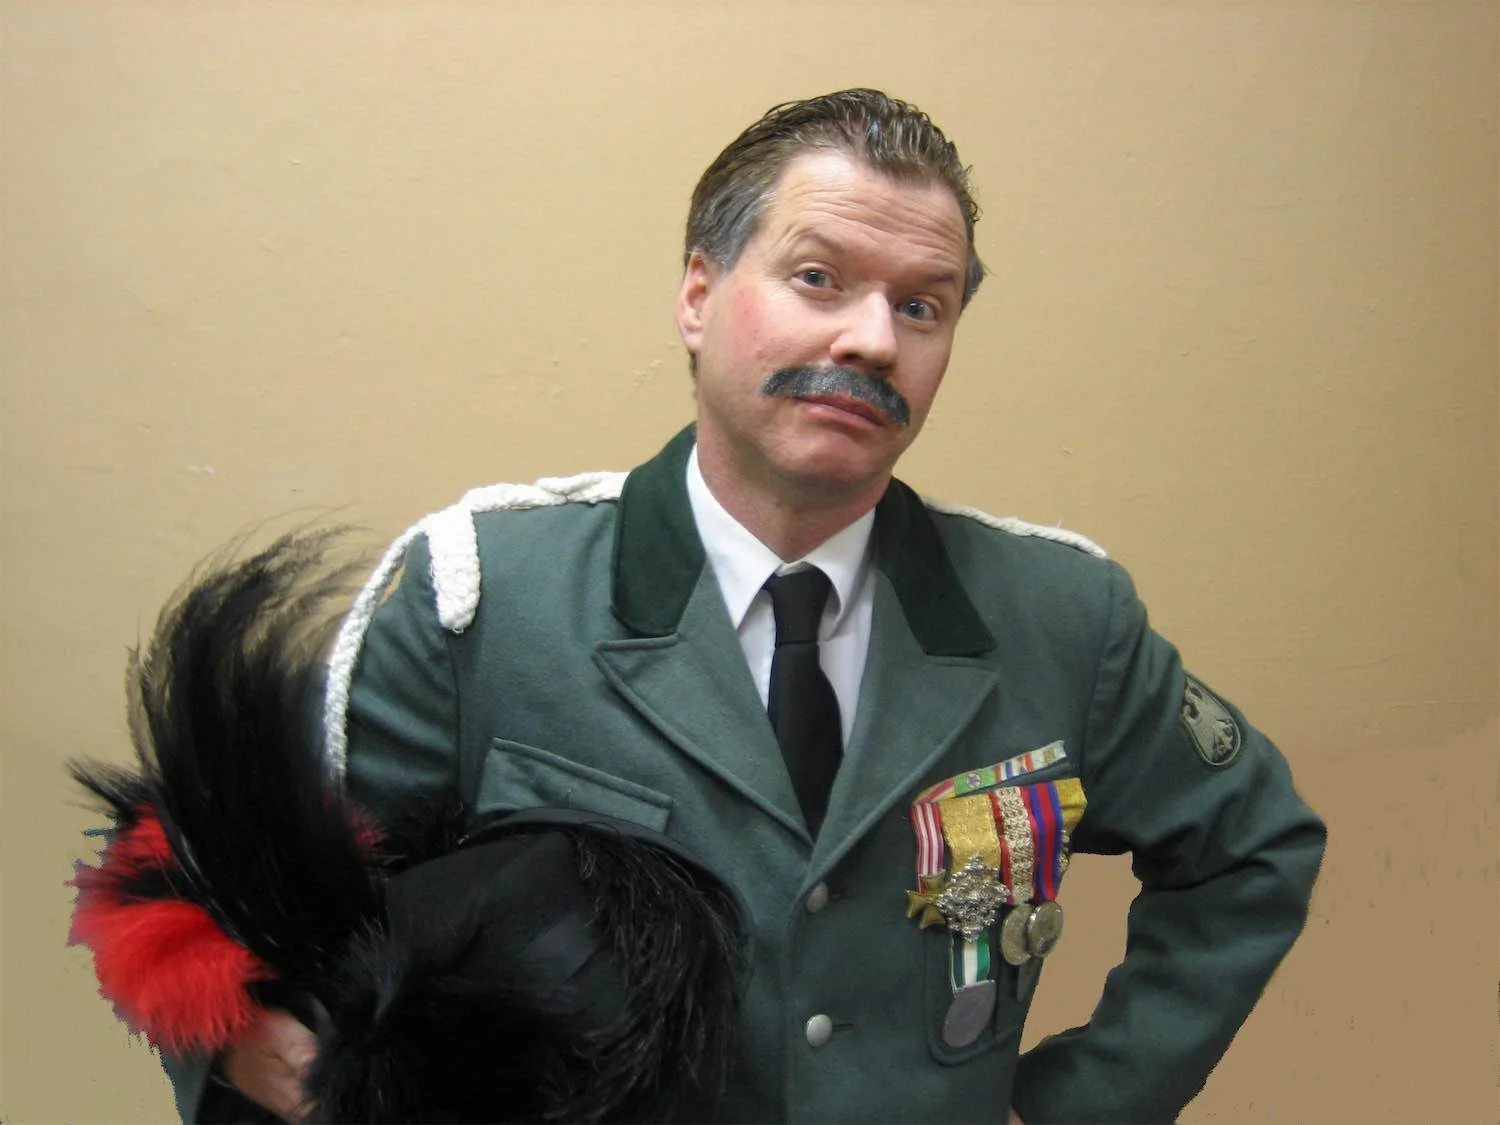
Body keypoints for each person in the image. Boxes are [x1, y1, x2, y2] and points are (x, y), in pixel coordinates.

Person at [155, 88, 1326, 1123]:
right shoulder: (482, 601)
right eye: (819, 278)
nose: (872, 338)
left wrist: (1087, 1104)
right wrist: (269, 1051)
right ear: (700, 297)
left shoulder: (1062, 618)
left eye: (924, 307)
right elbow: (234, 888)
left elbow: (1251, 844)